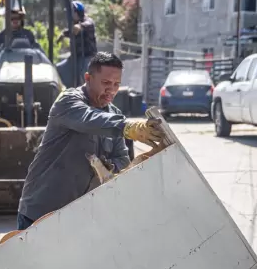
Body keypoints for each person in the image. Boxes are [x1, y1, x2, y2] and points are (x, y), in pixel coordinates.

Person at [17, 52, 165, 230]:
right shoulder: (68, 102)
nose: (111, 90)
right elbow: (90, 119)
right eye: (106, 83)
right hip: (41, 211)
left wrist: (110, 167)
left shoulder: (115, 114)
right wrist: (128, 127)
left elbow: (122, 159)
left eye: (116, 84)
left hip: (81, 216)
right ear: (88, 78)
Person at [57, 1, 97, 81]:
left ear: (77, 13)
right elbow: (70, 31)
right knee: (59, 69)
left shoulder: (88, 22)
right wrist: (63, 34)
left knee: (84, 77)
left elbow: (85, 25)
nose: (69, 15)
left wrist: (79, 26)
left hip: (87, 58)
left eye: (71, 13)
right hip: (75, 58)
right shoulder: (73, 24)